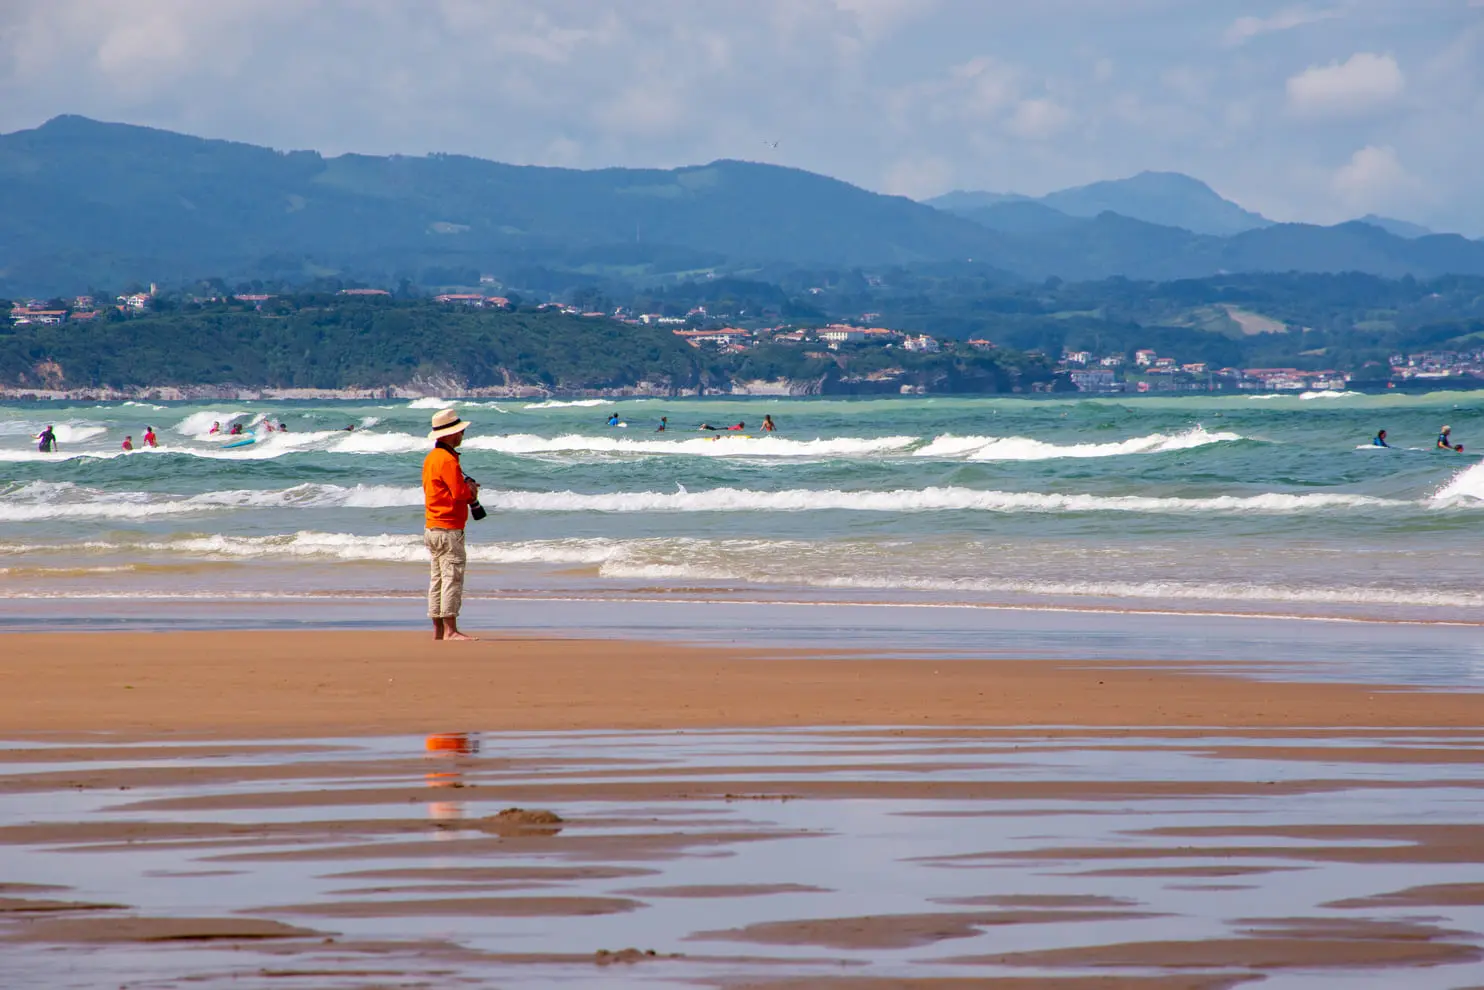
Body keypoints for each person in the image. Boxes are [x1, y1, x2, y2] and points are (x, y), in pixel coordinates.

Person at [423, 408, 480, 642]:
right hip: (448, 528)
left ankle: (438, 630)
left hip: (432, 526)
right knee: (452, 577)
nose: (462, 434)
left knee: (437, 578)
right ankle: (451, 631)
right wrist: (472, 491)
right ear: (450, 434)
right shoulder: (447, 459)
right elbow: (458, 493)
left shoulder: (432, 458)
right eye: (459, 431)